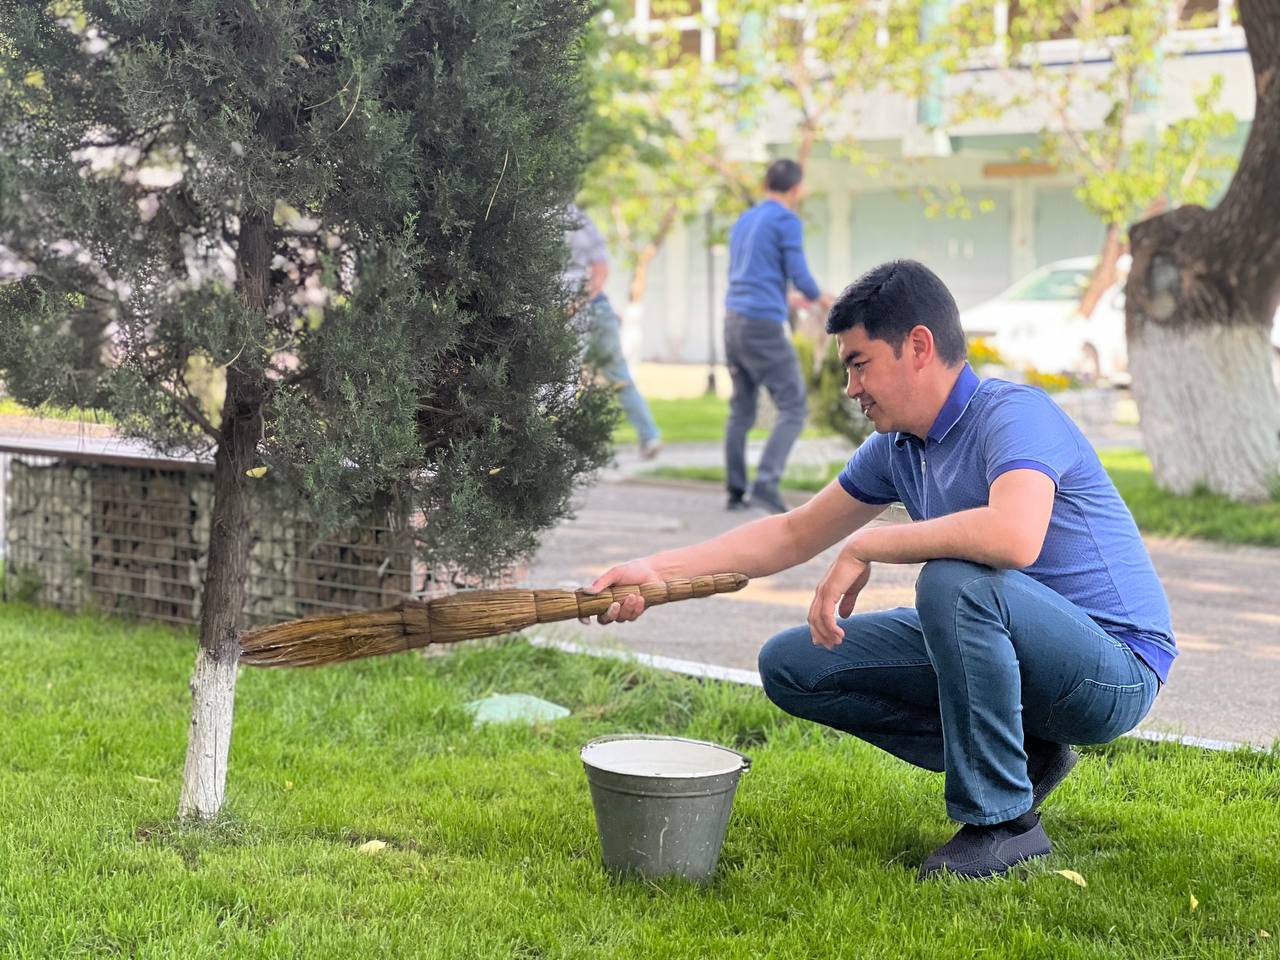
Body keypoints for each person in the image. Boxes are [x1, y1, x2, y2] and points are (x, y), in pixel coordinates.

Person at [583, 259, 1176, 880]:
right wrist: (655, 572)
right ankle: (1023, 760)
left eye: (859, 363)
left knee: (952, 580)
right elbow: (792, 532)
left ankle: (1003, 825)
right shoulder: (897, 450)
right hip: (1020, 650)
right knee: (795, 664)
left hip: (1114, 670)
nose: (850, 387)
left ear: (918, 346)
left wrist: (870, 546)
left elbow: (1013, 537)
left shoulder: (1015, 415)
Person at [722, 158, 835, 514]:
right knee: (793, 406)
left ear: (765, 184)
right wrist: (822, 299)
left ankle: (736, 491)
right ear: (797, 189)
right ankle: (766, 484)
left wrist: (790, 297)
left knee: (741, 409)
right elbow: (799, 274)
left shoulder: (745, 220)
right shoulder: (786, 219)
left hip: (732, 322)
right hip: (762, 325)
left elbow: (750, 274)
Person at [563, 203, 662, 459]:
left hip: (571, 310)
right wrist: (587, 299)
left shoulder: (535, 215)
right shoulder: (580, 218)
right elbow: (601, 269)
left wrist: (575, 305)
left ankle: (560, 447)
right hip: (598, 307)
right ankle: (649, 436)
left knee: (563, 379)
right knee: (619, 375)